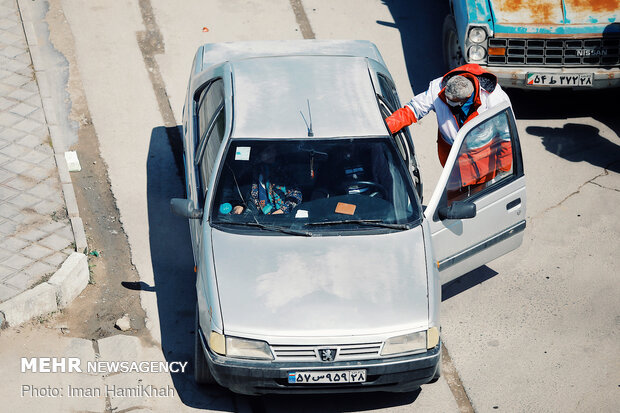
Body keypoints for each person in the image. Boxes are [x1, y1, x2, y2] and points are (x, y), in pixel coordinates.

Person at [385, 63, 512, 168]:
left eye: (453, 101)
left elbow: (506, 136)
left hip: (483, 163)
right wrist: (385, 127)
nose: (447, 102)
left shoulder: (495, 99)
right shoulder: (437, 88)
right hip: (452, 161)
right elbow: (412, 110)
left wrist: (503, 169)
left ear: (467, 98)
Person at [231, 145, 302, 215]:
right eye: (267, 151)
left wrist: (282, 211)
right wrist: (239, 206)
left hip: (282, 219)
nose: (272, 154)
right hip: (255, 220)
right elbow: (239, 197)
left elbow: (296, 195)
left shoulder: (283, 172)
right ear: (259, 154)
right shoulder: (250, 174)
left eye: (273, 150)